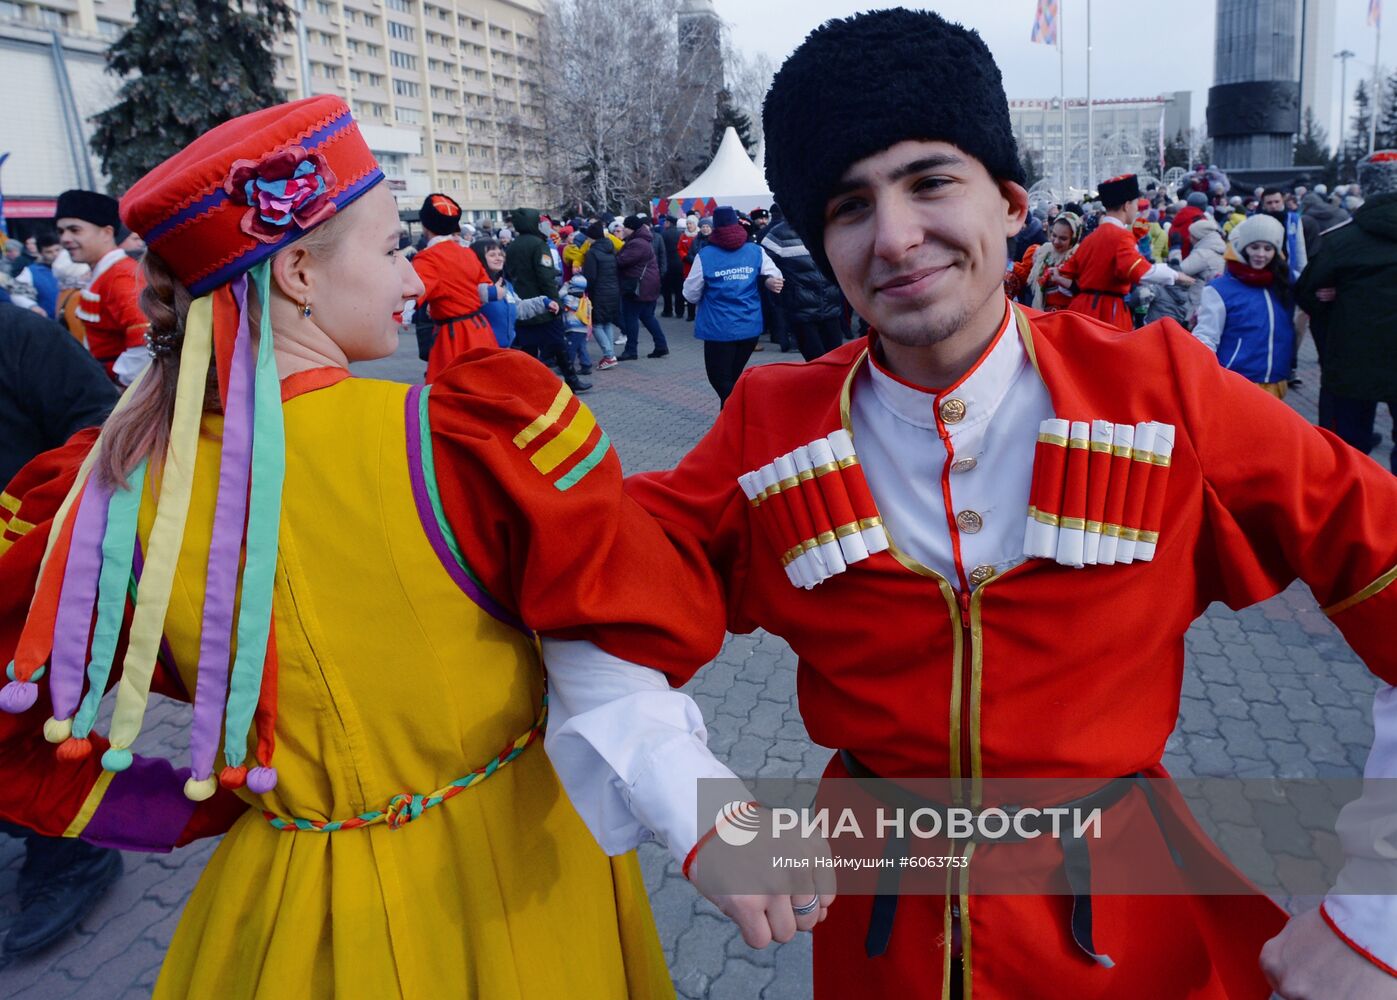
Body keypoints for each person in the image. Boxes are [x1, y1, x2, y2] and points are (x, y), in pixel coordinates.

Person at [542, 11, 1397, 1000]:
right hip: (876, 932)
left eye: (929, 181)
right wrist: (700, 810)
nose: (895, 237)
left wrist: (1374, 916)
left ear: (1007, 200)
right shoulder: (770, 424)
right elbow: (591, 599)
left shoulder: (1162, 394)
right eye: (848, 205)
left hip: (1117, 929)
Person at [0, 95, 724, 998]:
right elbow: (636, 624)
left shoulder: (104, 496)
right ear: (297, 271)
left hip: (285, 902)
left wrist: (189, 808)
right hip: (513, 878)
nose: (416, 280)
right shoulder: (456, 438)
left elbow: (13, 739)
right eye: (391, 251)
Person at [0, 301, 122, 956]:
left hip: (17, 580)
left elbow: (101, 425)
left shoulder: (18, 335)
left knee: (22, 729)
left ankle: (75, 851)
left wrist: (38, 528)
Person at [1296, 150, 1397, 474]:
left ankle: (1361, 513)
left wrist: (1333, 307)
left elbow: (1307, 292)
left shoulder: (1341, 241)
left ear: (1364, 189)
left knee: (1349, 453)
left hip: (1353, 363)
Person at [1056, 173, 1191, 331]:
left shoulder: (1090, 238)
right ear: (1127, 205)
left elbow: (1064, 278)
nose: (1136, 209)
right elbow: (1139, 272)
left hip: (1080, 311)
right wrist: (1175, 275)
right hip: (1108, 314)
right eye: (1135, 204)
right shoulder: (1122, 236)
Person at [683, 205, 783, 404]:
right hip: (749, 327)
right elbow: (776, 276)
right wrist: (766, 280)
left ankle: (745, 418)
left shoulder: (705, 255)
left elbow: (690, 294)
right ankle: (733, 427)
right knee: (732, 380)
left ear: (715, 227)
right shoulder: (755, 251)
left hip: (718, 329)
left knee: (720, 381)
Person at [1191, 214, 1295, 398]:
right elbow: (1205, 336)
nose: (1261, 254)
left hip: (1276, 380)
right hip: (1238, 382)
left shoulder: (1283, 283)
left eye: (1268, 248)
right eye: (1254, 247)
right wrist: (1200, 374)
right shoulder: (1221, 289)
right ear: (1244, 247)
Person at [56, 189, 149, 384]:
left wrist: (117, 382)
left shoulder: (121, 276)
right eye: (61, 231)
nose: (64, 238)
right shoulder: (105, 273)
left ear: (107, 232)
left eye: (75, 230)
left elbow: (146, 344)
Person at [411, 193, 498, 380]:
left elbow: (410, 297)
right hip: (481, 331)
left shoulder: (428, 258)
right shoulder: (466, 253)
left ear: (425, 225)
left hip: (454, 337)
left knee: (452, 394)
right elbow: (484, 292)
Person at [505, 207, 590, 392]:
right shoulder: (538, 244)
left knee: (528, 349)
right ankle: (571, 379)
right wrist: (555, 301)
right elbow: (545, 276)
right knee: (558, 342)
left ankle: (530, 386)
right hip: (543, 304)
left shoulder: (512, 246)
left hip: (522, 305)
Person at [760, 203, 846, 360]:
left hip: (831, 304)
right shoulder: (777, 236)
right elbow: (763, 267)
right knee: (816, 361)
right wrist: (768, 280)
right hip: (801, 309)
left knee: (837, 359)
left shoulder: (825, 227)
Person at [469, 237, 556, 350]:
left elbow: (518, 308)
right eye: (492, 255)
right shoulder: (473, 286)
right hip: (483, 351)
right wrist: (489, 293)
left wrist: (543, 303)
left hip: (505, 348)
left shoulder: (505, 284)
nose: (499, 258)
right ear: (479, 258)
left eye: (500, 254)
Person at [1005, 211, 1081, 312]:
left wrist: (1062, 280)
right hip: (1040, 315)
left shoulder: (1079, 257)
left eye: (1063, 238)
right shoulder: (1040, 252)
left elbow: (1084, 290)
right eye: (1054, 235)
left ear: (1074, 239)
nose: (1056, 241)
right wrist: (1008, 270)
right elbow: (1023, 275)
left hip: (1068, 318)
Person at [616, 214, 668, 360]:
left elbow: (621, 261)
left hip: (638, 287)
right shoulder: (642, 240)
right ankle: (661, 345)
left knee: (631, 318)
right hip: (647, 285)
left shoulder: (637, 243)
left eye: (625, 227)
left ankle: (631, 350)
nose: (622, 229)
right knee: (647, 316)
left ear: (631, 228)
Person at [580, 221, 623, 368]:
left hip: (598, 292)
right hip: (612, 290)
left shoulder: (592, 253)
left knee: (597, 324)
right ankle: (611, 355)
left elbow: (590, 277)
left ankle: (609, 355)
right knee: (606, 323)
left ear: (593, 238)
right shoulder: (610, 250)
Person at [10, 231, 62, 319]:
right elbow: (16, 293)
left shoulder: (76, 268)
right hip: (49, 322)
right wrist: (32, 306)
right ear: (41, 253)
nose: (55, 254)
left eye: (57, 250)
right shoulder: (31, 271)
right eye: (49, 252)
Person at [659, 215, 684, 317]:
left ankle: (668, 310)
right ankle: (680, 311)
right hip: (679, 264)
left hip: (667, 264)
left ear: (669, 223)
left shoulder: (663, 234)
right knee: (679, 289)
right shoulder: (680, 234)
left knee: (667, 289)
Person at [677, 215, 701, 322]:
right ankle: (691, 314)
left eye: (690, 223)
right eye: (687, 223)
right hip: (687, 265)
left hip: (698, 264)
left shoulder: (699, 235)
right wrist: (685, 256)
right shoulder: (683, 236)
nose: (689, 225)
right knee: (690, 289)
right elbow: (679, 248)